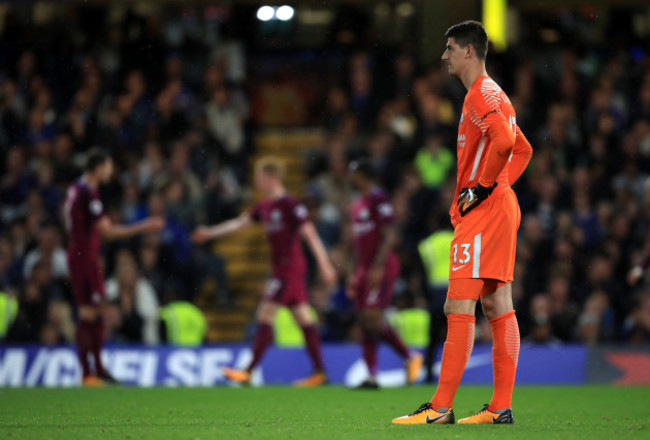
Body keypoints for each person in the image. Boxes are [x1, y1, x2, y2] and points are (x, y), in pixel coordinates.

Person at [392, 21, 532, 425]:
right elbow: (522, 149)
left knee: (458, 305)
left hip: (484, 213)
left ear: (469, 51)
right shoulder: (494, 94)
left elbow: (507, 145)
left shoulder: (478, 95)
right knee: (498, 303)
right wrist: (500, 186)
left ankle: (439, 408)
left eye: (450, 48)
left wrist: (483, 188)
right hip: (500, 208)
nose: (444, 55)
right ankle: (500, 407)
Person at [192, 156, 337, 387]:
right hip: (281, 269)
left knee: (265, 314)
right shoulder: (264, 206)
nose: (257, 183)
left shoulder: (290, 204)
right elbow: (239, 223)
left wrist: (325, 264)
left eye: (260, 178)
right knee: (303, 318)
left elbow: (309, 234)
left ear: (271, 178)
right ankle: (320, 372)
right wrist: (209, 233)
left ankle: (248, 372)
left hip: (290, 269)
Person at [63, 149, 164, 386]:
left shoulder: (75, 188)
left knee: (96, 310)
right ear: (98, 167)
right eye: (108, 166)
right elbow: (107, 231)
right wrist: (145, 226)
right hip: (84, 256)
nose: (110, 171)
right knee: (90, 312)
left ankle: (96, 368)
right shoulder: (88, 193)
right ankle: (89, 372)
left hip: (80, 253)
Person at [348, 159, 423, 389]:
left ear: (363, 175)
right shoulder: (358, 204)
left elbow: (390, 234)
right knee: (364, 320)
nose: (351, 177)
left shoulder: (378, 198)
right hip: (364, 268)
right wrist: (354, 271)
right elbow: (358, 243)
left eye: (354, 173)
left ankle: (410, 356)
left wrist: (378, 267)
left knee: (373, 317)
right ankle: (372, 375)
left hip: (381, 268)